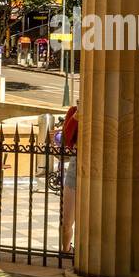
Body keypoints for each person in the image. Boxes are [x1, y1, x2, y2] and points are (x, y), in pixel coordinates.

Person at [60, 103, 79, 256]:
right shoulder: (73, 111)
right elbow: (66, 140)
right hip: (76, 163)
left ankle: (86, 254)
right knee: (67, 221)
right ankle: (66, 250)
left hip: (100, 163)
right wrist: (76, 117)